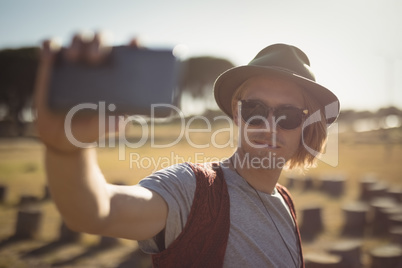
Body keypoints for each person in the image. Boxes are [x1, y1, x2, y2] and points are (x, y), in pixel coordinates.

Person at [34, 35, 340, 268]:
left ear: (306, 126)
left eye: (288, 115)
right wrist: (67, 148)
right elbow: (96, 213)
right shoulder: (193, 190)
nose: (269, 125)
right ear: (237, 114)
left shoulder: (285, 202)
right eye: (255, 109)